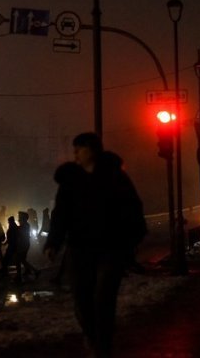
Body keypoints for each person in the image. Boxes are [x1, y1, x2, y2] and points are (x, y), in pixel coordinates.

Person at [43, 133, 147, 357]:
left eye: (78, 149)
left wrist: (131, 240)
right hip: (80, 249)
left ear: (91, 150)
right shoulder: (70, 180)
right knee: (82, 299)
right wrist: (53, 242)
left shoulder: (115, 177)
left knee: (103, 298)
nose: (75, 155)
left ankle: (103, 346)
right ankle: (93, 336)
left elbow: (132, 208)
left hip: (111, 248)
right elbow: (61, 214)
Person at [16, 211, 41, 283]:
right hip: (24, 244)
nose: (18, 219)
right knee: (22, 260)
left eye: (20, 217)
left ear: (23, 218)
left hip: (23, 244)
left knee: (19, 259)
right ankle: (32, 271)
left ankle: (19, 276)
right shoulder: (25, 225)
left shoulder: (25, 226)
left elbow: (21, 234)